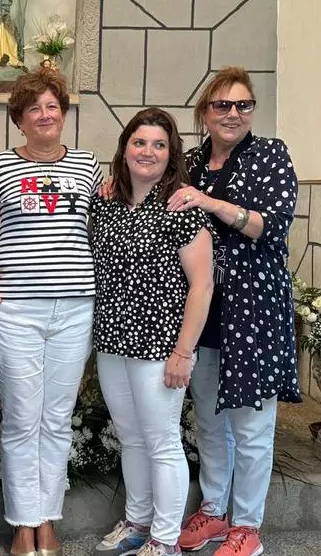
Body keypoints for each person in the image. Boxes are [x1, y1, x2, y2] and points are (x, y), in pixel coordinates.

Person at [170, 67, 300, 556]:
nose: (233, 113)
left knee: (251, 426)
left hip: (254, 309)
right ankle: (213, 510)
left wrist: (210, 203)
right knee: (208, 418)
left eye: (243, 105)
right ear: (205, 112)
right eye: (222, 104)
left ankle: (247, 526)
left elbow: (272, 225)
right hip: (203, 307)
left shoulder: (271, 154)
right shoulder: (190, 161)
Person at [0, 68, 101, 556]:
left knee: (57, 419)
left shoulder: (89, 166)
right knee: (21, 418)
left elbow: (102, 225)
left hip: (75, 307)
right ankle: (22, 522)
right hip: (15, 310)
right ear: (19, 119)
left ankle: (47, 518)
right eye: (34, 108)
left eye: (52, 106)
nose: (45, 114)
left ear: (64, 114)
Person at [88, 108, 217, 556]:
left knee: (161, 442)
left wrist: (184, 352)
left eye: (159, 145)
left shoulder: (181, 208)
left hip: (160, 345)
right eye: (139, 142)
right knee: (130, 436)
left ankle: (165, 540)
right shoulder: (105, 205)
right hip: (113, 341)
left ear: (171, 154)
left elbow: (202, 285)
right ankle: (138, 522)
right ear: (125, 149)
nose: (148, 152)